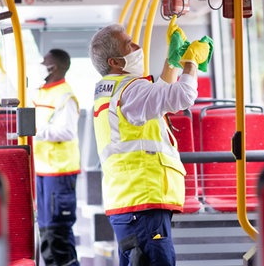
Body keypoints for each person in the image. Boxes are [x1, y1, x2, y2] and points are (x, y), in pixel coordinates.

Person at [89, 19, 212, 265]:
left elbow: (155, 99)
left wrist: (173, 62)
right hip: (143, 201)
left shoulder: (111, 90)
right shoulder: (130, 90)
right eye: (128, 44)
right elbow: (182, 96)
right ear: (114, 62)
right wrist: (191, 62)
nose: (136, 46)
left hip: (130, 201)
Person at [33, 48, 81, 266]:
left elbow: (67, 132)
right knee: (45, 232)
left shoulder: (65, 95)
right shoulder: (41, 92)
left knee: (57, 232)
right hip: (43, 170)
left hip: (60, 172)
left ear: (56, 67)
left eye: (46, 62)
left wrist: (35, 130)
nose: (42, 65)